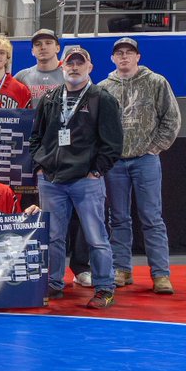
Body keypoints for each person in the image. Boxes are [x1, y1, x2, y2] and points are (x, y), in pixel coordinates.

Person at [30, 45, 123, 309]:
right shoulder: (50, 98)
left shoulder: (101, 98)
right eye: (70, 63)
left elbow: (113, 144)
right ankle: (54, 283)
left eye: (80, 63)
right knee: (53, 237)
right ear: (62, 67)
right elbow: (36, 136)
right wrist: (40, 165)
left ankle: (104, 287)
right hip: (52, 180)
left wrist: (96, 171)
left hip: (85, 180)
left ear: (89, 67)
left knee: (96, 237)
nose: (74, 67)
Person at [99, 37, 181, 294]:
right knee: (118, 218)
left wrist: (155, 148)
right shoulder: (103, 88)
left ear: (138, 57)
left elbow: (171, 118)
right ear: (112, 58)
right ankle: (121, 269)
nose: (124, 56)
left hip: (146, 160)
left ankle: (161, 274)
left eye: (129, 52)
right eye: (119, 53)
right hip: (115, 163)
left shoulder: (156, 82)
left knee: (152, 217)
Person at [13, 29, 65, 106]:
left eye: (48, 43)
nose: (43, 47)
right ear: (32, 51)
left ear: (57, 48)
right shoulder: (22, 77)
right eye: (37, 44)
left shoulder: (70, 74)